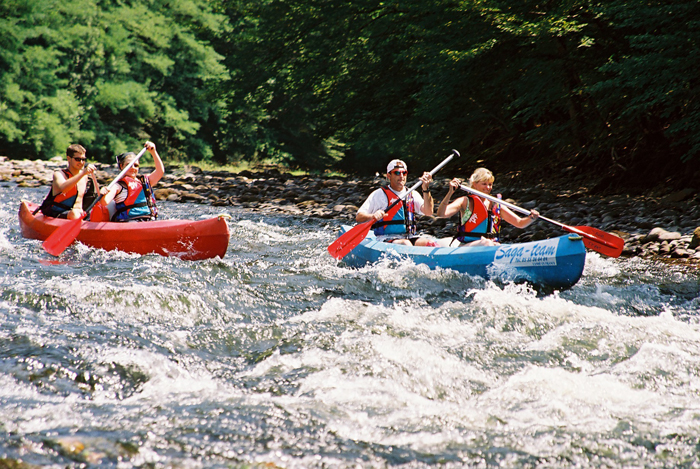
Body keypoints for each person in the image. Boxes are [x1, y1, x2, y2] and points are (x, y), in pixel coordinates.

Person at [436, 168, 539, 247]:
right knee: (487, 243)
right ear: (475, 184)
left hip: (489, 245)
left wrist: (531, 218)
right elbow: (441, 214)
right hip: (466, 246)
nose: (488, 187)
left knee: (493, 244)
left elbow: (520, 223)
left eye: (490, 184)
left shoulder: (495, 204)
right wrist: (450, 192)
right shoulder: (465, 201)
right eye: (484, 184)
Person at [356, 159, 437, 246]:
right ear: (389, 175)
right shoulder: (379, 194)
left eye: (404, 173)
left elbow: (429, 212)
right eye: (397, 173)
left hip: (409, 236)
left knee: (430, 243)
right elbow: (359, 217)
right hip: (385, 238)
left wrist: (425, 188)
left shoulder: (412, 193)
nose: (401, 176)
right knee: (405, 243)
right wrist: (373, 216)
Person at [100, 141, 164, 222]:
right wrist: (102, 193)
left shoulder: (145, 181)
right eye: (129, 165)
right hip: (129, 220)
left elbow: (160, 171)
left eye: (136, 165)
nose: (133, 168)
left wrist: (153, 152)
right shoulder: (117, 186)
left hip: (148, 219)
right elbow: (105, 202)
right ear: (121, 166)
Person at [39, 144, 98, 219]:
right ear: (69, 158)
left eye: (83, 159)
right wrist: (83, 173)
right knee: (74, 214)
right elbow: (63, 188)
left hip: (80, 214)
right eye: (77, 159)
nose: (81, 162)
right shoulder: (59, 174)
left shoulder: (85, 177)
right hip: (59, 213)